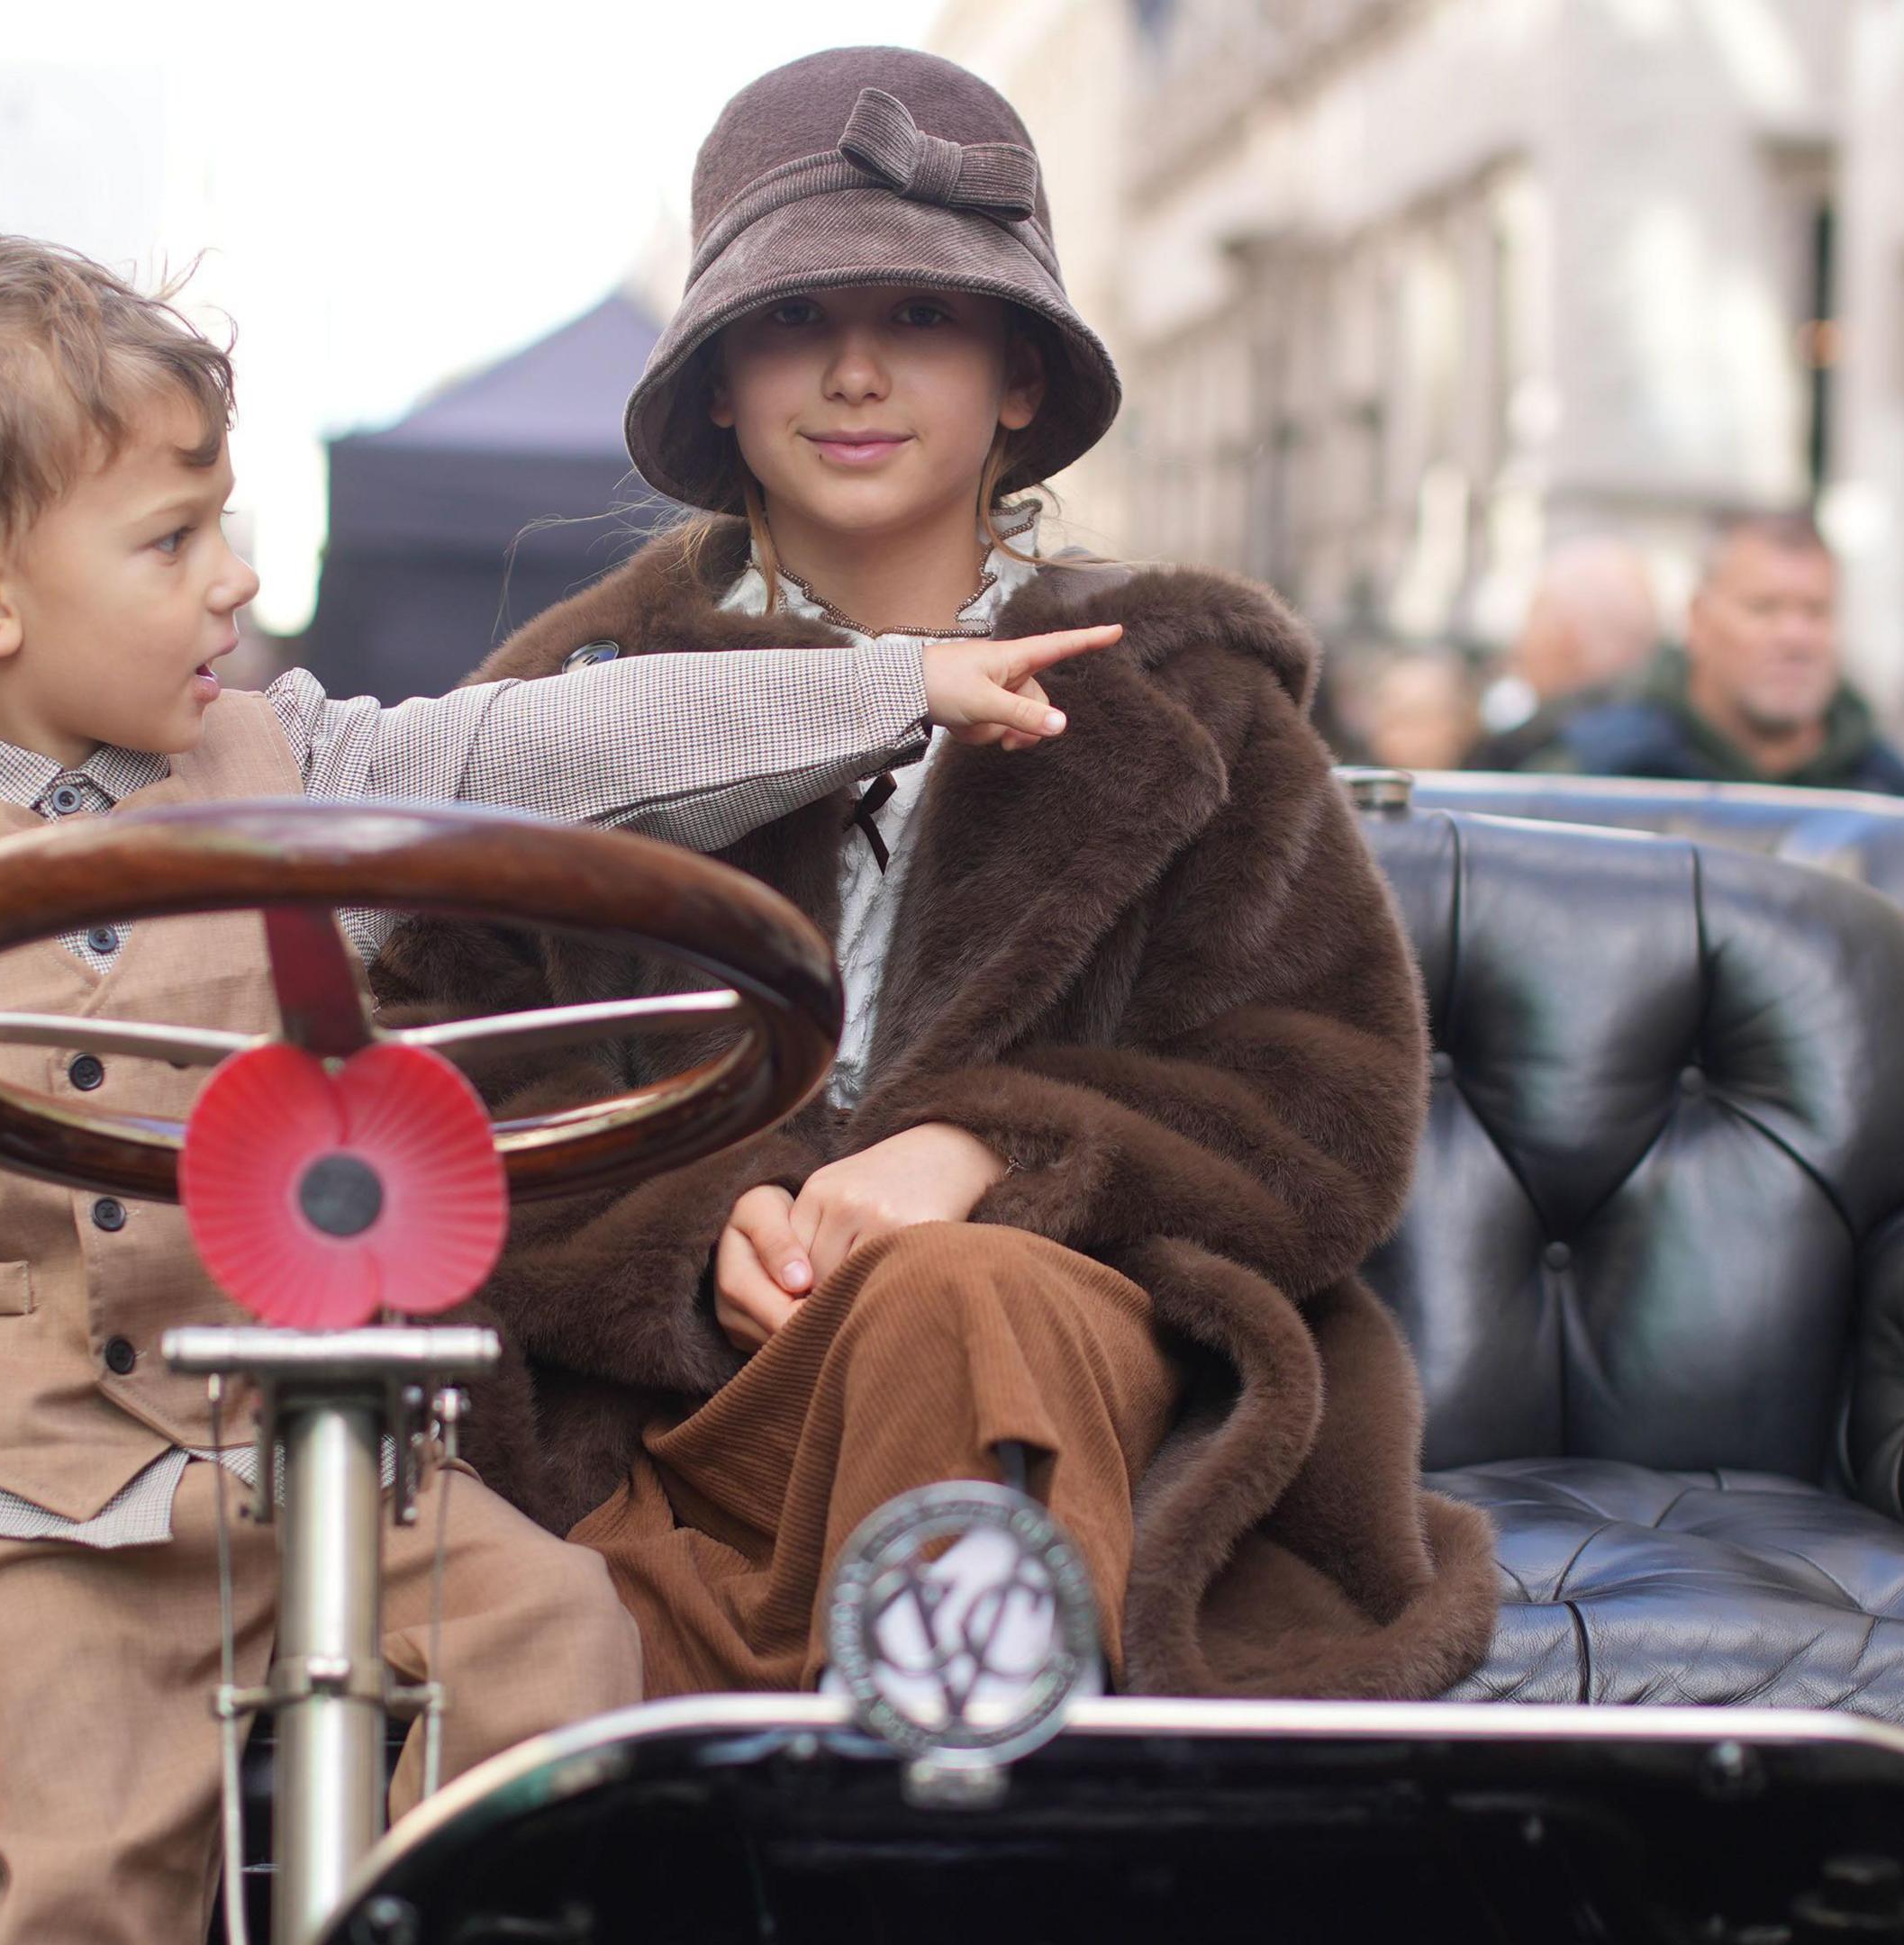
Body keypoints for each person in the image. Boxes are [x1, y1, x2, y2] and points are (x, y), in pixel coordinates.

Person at [0, 231, 1119, 1945]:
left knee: (557, 1638)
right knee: (66, 1877)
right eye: (175, 539)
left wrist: (891, 685)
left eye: (221, 523)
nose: (234, 578)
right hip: (29, 1515)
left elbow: (561, 752)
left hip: (325, 1462)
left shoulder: (299, 768)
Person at [376, 47, 1495, 1708]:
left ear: (1019, 376)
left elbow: (1325, 1106)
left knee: (952, 1292)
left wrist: (992, 1149)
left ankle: (812, 1733)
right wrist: (698, 1224)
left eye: (920, 316)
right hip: (666, 1419)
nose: (849, 373)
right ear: (718, 382)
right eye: (789, 320)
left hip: (1078, 1391)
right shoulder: (574, 700)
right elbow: (424, 1086)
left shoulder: (1185, 698)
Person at [1570, 511, 1904, 1181]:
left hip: (1841, 1175)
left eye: (1816, 612)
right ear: (1699, 620)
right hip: (1628, 1169)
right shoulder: (1600, 776)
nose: (1795, 636)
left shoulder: (1895, 803)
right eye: (1765, 608)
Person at [1464, 537, 1658, 771]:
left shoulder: (1552, 757)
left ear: (1565, 638)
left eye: (1532, 617)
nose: (1518, 644)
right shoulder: (1673, 737)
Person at [1355, 646, 1481, 772]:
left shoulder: (1490, 779)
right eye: (1394, 720)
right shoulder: (1350, 783)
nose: (1408, 736)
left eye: (1422, 718)